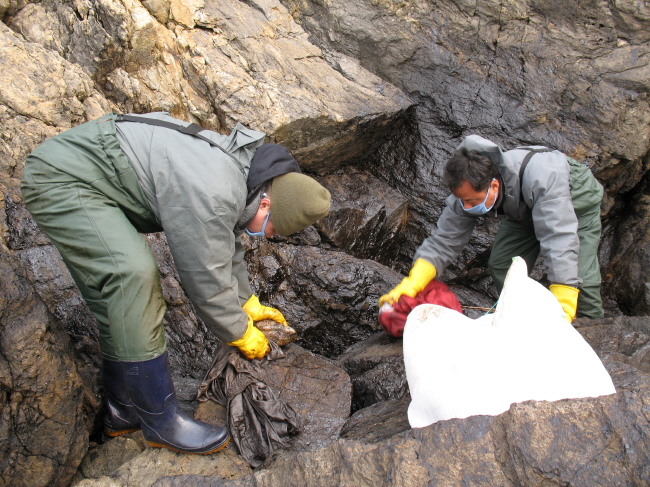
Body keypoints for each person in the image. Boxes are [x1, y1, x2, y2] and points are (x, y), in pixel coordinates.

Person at [20, 112, 331, 455]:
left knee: (117, 301)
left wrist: (247, 302)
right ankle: (161, 420)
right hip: (62, 178)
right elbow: (204, 276)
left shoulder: (243, 177)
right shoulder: (215, 187)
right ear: (268, 202)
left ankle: (122, 410)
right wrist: (238, 330)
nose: (266, 235)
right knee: (131, 275)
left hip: (93, 177)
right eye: (271, 228)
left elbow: (225, 242)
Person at [379, 134, 604, 323]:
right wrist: (413, 282)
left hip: (575, 204)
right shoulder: (468, 188)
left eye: (471, 201)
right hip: (521, 211)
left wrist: (563, 299)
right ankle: (522, 320)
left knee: (580, 278)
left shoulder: (542, 178)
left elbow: (559, 238)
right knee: (502, 265)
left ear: (494, 185)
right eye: (462, 201)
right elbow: (444, 240)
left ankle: (594, 329)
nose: (466, 207)